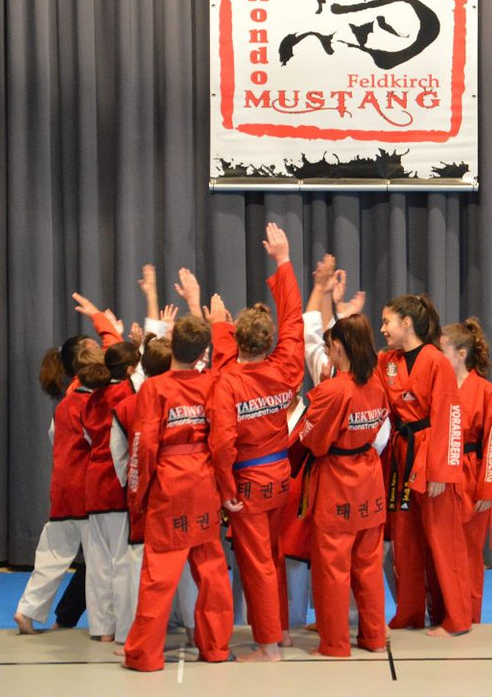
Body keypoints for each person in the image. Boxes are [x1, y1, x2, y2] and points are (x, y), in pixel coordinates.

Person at [123, 296, 236, 671]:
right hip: (203, 483)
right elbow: (223, 441)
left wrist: (137, 496)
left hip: (169, 486)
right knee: (212, 570)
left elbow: (143, 447)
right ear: (202, 353)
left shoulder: (153, 389)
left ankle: (145, 655)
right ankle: (216, 646)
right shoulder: (214, 382)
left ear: (171, 346)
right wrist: (226, 488)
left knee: (159, 575)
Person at [209, 223, 304, 663]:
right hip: (280, 476)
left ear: (236, 341)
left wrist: (226, 490)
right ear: (269, 342)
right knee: (274, 554)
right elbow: (294, 323)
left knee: (256, 563)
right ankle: (280, 632)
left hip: (247, 484)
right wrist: (284, 263)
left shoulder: (227, 383)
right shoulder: (285, 370)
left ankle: (268, 646)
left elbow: (222, 444)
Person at [14, 298, 121, 635]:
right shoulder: (95, 399)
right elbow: (117, 359)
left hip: (61, 490)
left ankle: (26, 611)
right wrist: (102, 322)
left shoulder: (67, 400)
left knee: (51, 557)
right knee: (100, 564)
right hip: (88, 494)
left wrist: (104, 323)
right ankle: (103, 627)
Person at [377, 294, 472, 637]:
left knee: (443, 540)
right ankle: (410, 611)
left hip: (431, 456)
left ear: (406, 323)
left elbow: (449, 417)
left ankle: (456, 619)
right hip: (402, 455)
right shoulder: (387, 361)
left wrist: (441, 472)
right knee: (405, 541)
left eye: (387, 322)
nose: (382, 329)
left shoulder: (436, 361)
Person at [297, 314, 390, 657]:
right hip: (369, 480)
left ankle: (335, 643)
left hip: (338, 483)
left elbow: (312, 440)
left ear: (338, 347)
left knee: (333, 569)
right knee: (368, 567)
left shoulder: (332, 391)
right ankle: (374, 637)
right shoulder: (377, 384)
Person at [440, 317, 492, 623]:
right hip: (442, 478)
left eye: (443, 351)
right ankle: (445, 615)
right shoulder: (439, 389)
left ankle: (468, 619)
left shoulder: (485, 391)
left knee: (468, 555)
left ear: (461, 354)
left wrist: (487, 490)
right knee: (442, 553)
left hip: (472, 478)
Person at [81, 341, 140, 644]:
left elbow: (86, 437)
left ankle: (101, 628)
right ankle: (124, 630)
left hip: (93, 485)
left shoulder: (93, 397)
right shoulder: (127, 394)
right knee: (122, 561)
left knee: (98, 563)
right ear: (130, 370)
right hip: (116, 485)